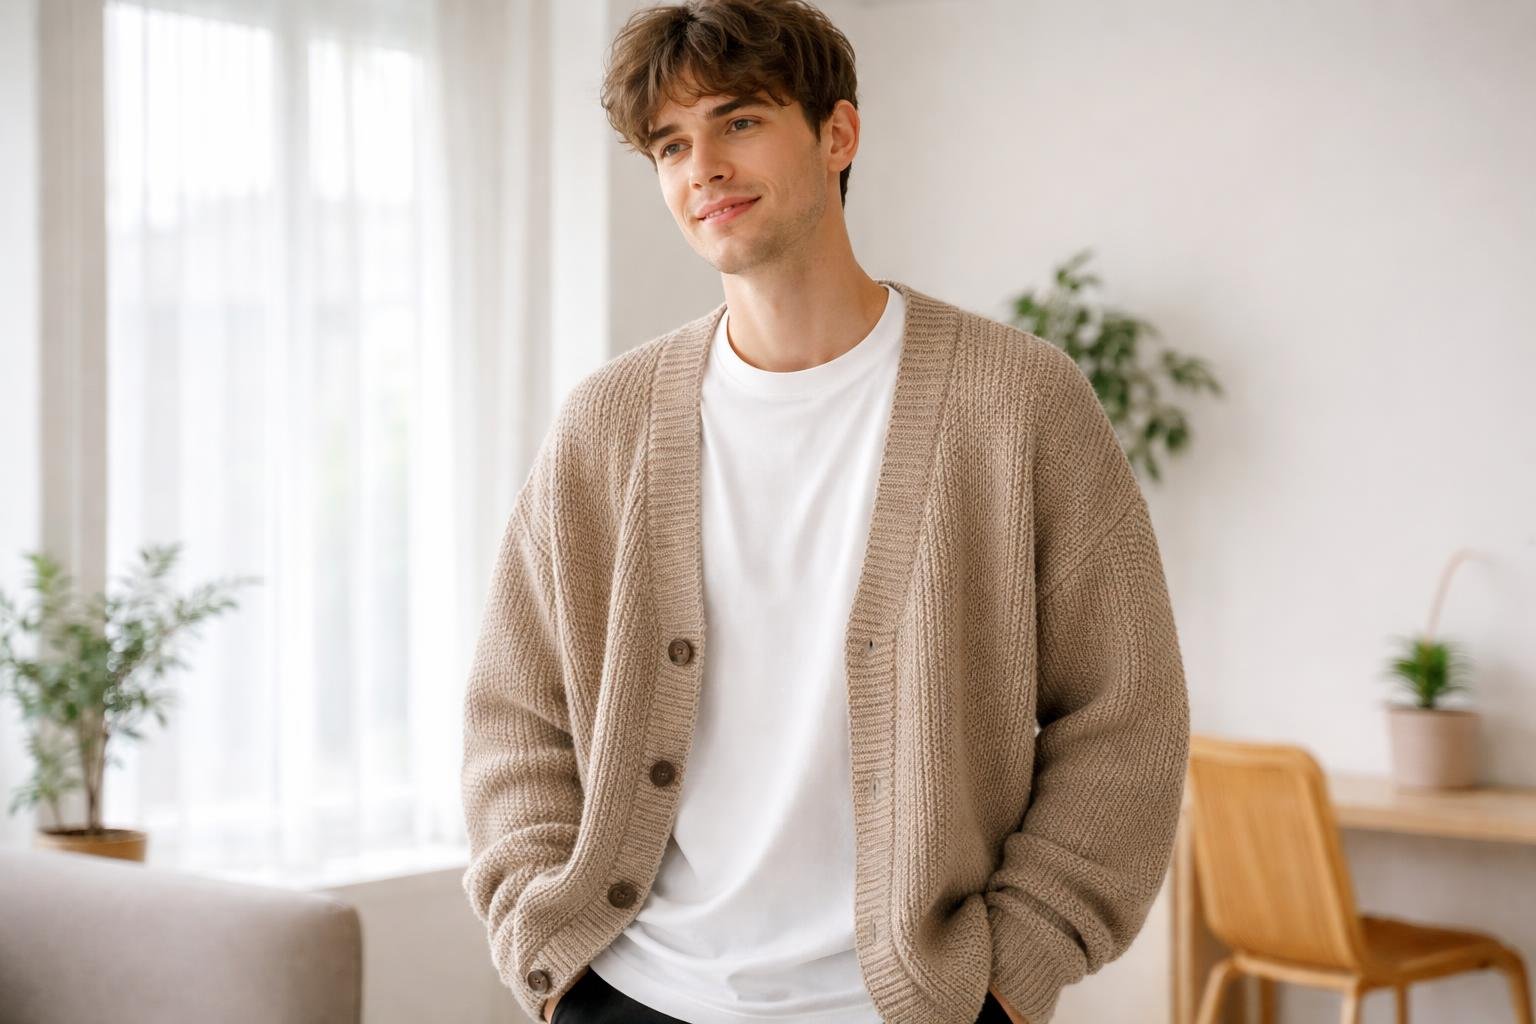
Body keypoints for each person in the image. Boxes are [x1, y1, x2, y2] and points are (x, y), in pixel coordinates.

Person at [460, 2, 1191, 1023]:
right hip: (634, 992)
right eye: (670, 144)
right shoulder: (606, 425)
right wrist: (540, 924)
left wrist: (1009, 976)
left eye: (739, 121)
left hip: (914, 1001)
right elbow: (515, 710)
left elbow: (1126, 713)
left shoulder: (1016, 399)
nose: (701, 165)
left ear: (837, 133)